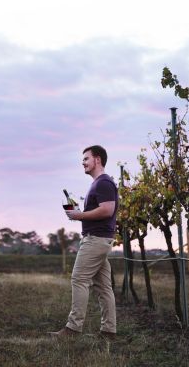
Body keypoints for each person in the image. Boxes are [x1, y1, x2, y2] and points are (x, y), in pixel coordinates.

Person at [50, 145, 118, 340]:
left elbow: (107, 210)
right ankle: (109, 331)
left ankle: (73, 329)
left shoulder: (103, 183)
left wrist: (79, 215)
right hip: (100, 240)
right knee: (104, 287)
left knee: (78, 279)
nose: (83, 163)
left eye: (86, 159)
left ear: (97, 159)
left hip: (95, 240)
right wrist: (80, 213)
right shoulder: (99, 184)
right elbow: (101, 209)